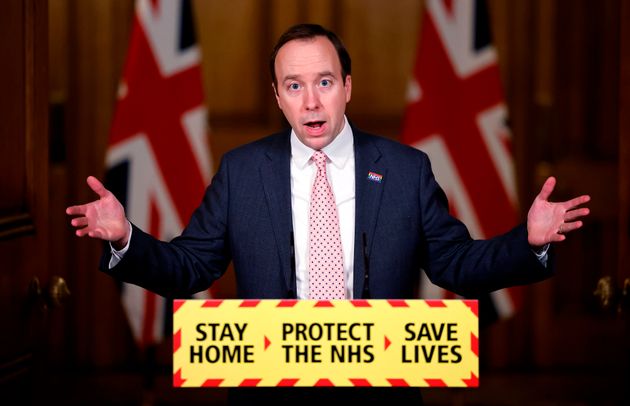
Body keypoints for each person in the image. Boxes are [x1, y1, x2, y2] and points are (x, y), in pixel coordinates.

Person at [67, 23, 590, 405]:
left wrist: (529, 242)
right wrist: (125, 239)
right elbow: (190, 267)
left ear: (347, 87)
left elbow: (455, 263)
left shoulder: (407, 171)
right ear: (278, 96)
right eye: (294, 86)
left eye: (324, 82)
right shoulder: (242, 172)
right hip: (269, 387)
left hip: (379, 387)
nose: (311, 102)